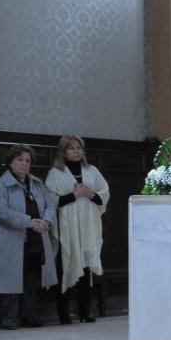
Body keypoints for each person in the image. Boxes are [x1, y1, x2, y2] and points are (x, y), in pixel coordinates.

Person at [0, 145, 57, 329]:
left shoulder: (37, 183)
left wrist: (46, 222)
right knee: (9, 279)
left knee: (31, 279)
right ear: (10, 162)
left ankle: (29, 316)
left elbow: (50, 205)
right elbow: (1, 211)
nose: (24, 164)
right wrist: (29, 222)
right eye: (19, 160)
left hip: (35, 240)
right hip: (10, 240)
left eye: (27, 161)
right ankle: (8, 318)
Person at [45, 135, 109, 324]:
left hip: (88, 225)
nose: (76, 151)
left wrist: (91, 195)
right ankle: (63, 313)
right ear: (63, 152)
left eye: (79, 148)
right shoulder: (56, 173)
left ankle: (85, 311)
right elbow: (50, 200)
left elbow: (104, 193)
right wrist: (74, 195)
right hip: (67, 227)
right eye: (71, 148)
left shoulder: (92, 171)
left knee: (86, 267)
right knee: (64, 266)